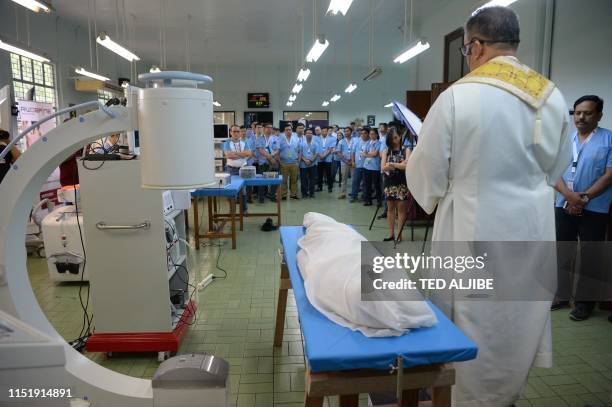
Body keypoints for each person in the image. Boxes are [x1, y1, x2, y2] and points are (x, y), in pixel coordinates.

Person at [404, 7, 571, 406]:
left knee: (472, 318)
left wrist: (426, 180)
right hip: (531, 229)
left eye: (465, 49)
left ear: (476, 46)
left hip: (471, 227)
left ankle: (466, 397)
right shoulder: (550, 95)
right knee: (516, 315)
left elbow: (426, 174)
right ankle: (505, 395)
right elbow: (560, 166)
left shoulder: (458, 96)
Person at [553, 95, 612, 321]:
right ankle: (561, 296)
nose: (581, 117)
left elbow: (609, 176)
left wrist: (583, 199)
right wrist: (569, 196)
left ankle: (584, 304)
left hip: (595, 207)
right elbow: (553, 173)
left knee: (591, 256)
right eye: (577, 112)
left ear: (599, 115)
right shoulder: (566, 141)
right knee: (562, 251)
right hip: (563, 203)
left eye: (587, 113)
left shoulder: (609, 140)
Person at [381, 129, 410, 241]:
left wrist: (392, 164)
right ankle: (391, 234)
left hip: (402, 183)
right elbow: (383, 167)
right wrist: (399, 164)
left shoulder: (406, 150)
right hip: (389, 183)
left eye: (397, 137)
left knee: (401, 210)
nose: (397, 139)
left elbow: (407, 166)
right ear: (390, 139)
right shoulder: (386, 151)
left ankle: (399, 235)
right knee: (390, 208)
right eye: (394, 138)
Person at [223, 125, 252, 210]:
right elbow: (228, 155)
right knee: (232, 190)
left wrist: (235, 153)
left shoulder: (244, 142)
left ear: (240, 132)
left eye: (238, 131)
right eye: (234, 131)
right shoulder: (227, 143)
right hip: (231, 169)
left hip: (243, 168)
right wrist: (242, 154)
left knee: (243, 190)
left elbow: (249, 154)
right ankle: (232, 211)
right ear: (230, 132)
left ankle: (244, 210)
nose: (236, 133)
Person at [278, 124, 299, 200]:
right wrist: (279, 161)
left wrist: (298, 161)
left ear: (292, 130)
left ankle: (293, 194)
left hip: (294, 163)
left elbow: (299, 150)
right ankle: (283, 195)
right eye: (286, 130)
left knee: (294, 180)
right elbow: (278, 151)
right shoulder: (280, 140)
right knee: (284, 180)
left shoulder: (296, 139)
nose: (288, 131)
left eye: (289, 129)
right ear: (284, 131)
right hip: (284, 163)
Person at [362, 128, 382, 207]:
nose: (371, 135)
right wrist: (369, 154)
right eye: (370, 134)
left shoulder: (379, 143)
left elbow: (375, 154)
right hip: (366, 166)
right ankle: (368, 200)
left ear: (377, 135)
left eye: (373, 134)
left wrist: (368, 154)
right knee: (367, 185)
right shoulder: (368, 143)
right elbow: (364, 153)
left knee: (377, 185)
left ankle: (379, 201)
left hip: (375, 167)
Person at [298, 128, 319, 199]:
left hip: (313, 164)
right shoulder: (301, 143)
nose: (309, 134)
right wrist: (305, 160)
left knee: (312, 179)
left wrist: (310, 160)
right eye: (307, 133)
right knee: (303, 179)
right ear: (305, 134)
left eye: (310, 133)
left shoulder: (315, 143)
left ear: (312, 134)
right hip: (303, 165)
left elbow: (316, 154)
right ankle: (304, 193)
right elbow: (300, 154)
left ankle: (312, 193)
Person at [350, 128, 369, 203]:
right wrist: (353, 162)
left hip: (367, 166)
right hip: (358, 165)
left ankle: (364, 197)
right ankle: (354, 196)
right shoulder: (357, 142)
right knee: (355, 181)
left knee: (365, 183)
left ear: (368, 134)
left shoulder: (370, 142)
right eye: (361, 133)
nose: (363, 135)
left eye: (365, 133)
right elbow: (352, 152)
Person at [336, 127, 354, 199]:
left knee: (354, 179)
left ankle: (353, 194)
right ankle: (343, 193)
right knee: (344, 179)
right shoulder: (341, 141)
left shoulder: (355, 140)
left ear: (351, 132)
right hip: (344, 162)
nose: (346, 132)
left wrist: (352, 161)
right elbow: (339, 153)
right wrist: (346, 161)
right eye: (345, 131)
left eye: (348, 131)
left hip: (353, 162)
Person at [377, 123, 390, 219]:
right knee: (385, 189)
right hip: (385, 167)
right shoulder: (383, 139)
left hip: (392, 168)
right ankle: (386, 210)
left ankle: (389, 210)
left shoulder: (390, 139)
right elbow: (381, 154)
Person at [317, 127, 335, 192]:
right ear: (321, 132)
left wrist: (324, 155)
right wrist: (320, 155)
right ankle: (319, 187)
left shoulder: (332, 139)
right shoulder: (317, 139)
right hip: (319, 159)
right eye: (323, 131)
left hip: (328, 159)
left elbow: (330, 149)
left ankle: (330, 187)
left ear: (327, 132)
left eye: (325, 131)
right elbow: (316, 148)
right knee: (320, 174)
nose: (324, 133)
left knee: (328, 174)